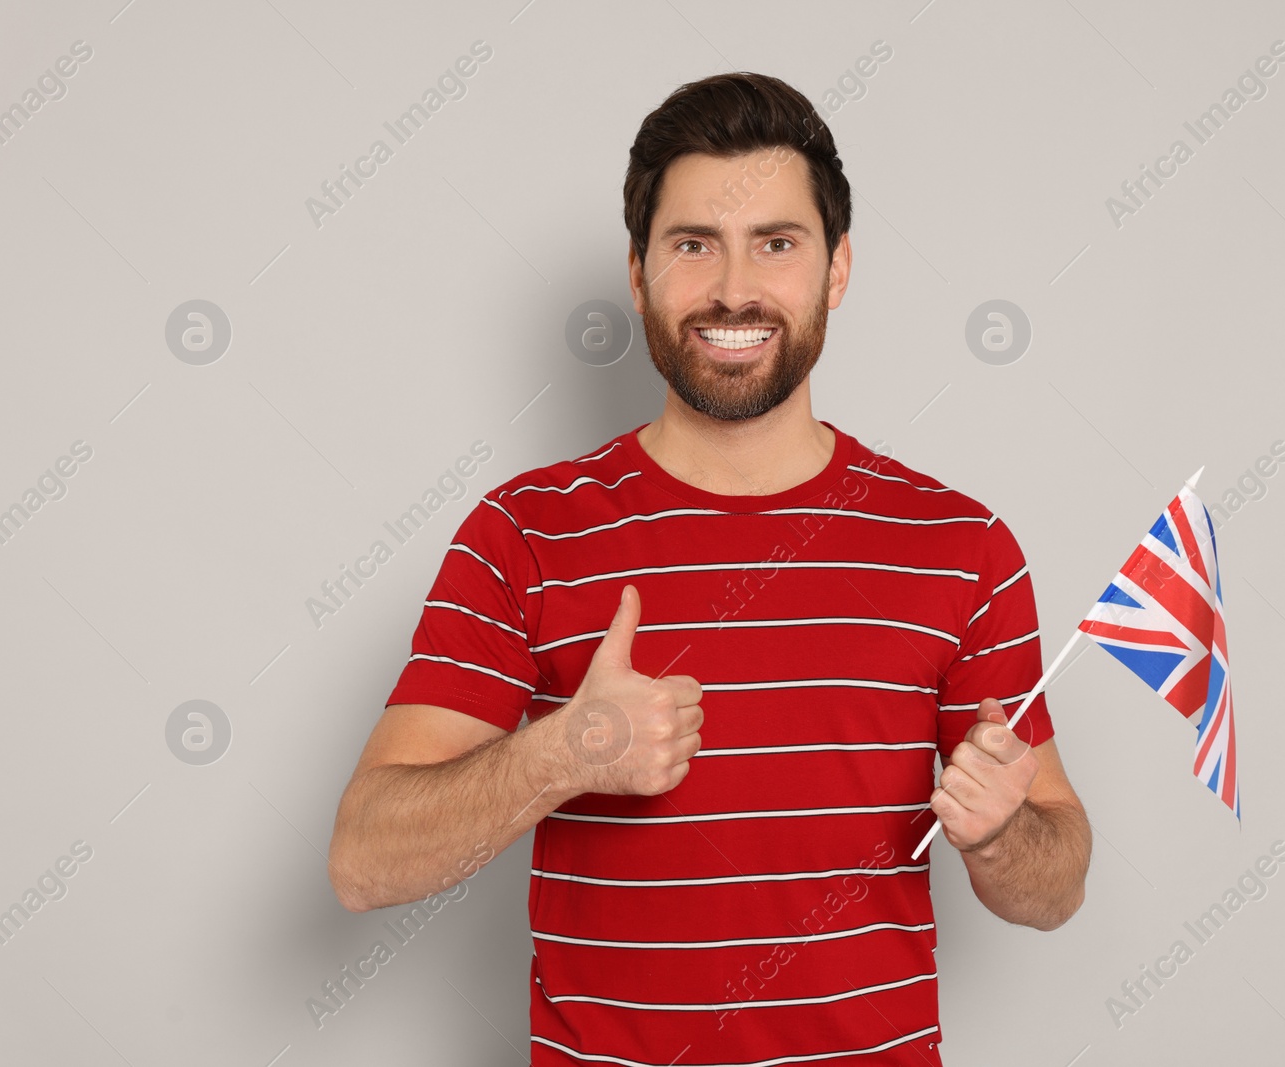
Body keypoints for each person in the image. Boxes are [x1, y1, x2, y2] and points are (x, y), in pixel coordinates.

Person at [328, 70, 1091, 1066]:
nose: (734, 288)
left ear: (837, 268)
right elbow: (362, 861)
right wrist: (564, 753)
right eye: (695, 244)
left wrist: (997, 836)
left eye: (776, 243)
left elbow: (1056, 875)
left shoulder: (959, 545)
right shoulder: (524, 532)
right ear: (640, 273)